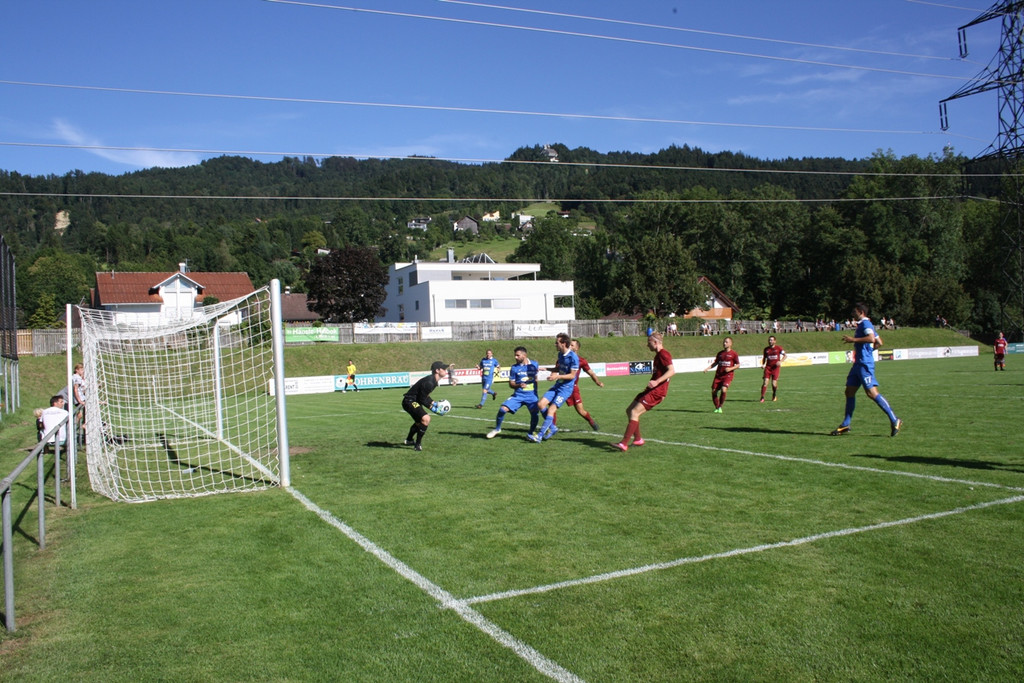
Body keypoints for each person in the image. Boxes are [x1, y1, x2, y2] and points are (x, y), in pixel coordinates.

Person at [831, 302, 902, 437]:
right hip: (858, 364)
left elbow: (871, 338)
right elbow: (879, 342)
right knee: (849, 391)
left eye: (854, 311)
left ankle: (894, 420)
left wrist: (853, 340)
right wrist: (869, 350)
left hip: (864, 364)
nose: (852, 314)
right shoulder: (864, 325)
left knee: (872, 393)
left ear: (861, 312)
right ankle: (846, 424)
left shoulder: (866, 324)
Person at [614, 332, 675, 452]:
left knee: (634, 412)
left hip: (657, 391)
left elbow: (671, 371)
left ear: (655, 342)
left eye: (649, 343)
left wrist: (657, 382)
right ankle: (638, 439)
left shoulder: (664, 354)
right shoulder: (658, 355)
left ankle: (624, 443)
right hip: (651, 390)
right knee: (629, 410)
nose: (647, 345)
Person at [530, 332, 579, 442]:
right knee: (540, 404)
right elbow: (559, 369)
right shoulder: (560, 355)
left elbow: (572, 375)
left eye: (557, 343)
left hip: (566, 389)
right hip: (558, 385)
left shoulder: (573, 357)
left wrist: (557, 376)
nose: (555, 344)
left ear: (563, 343)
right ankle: (552, 428)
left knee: (551, 409)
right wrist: (547, 369)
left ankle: (539, 435)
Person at [486, 346, 540, 439]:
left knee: (535, 414)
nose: (515, 357)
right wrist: (519, 385)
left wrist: (535, 393)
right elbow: (511, 384)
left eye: (517, 355)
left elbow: (535, 379)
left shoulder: (534, 364)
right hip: (518, 395)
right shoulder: (514, 368)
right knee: (502, 409)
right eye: (515, 355)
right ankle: (497, 429)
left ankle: (530, 433)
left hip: (531, 395)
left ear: (524, 355)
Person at [401, 361, 449, 452]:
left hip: (415, 401)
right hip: (409, 401)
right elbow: (422, 399)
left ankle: (409, 440)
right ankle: (417, 445)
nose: (445, 370)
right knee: (426, 419)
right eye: (443, 368)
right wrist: (434, 409)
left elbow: (425, 396)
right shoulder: (429, 382)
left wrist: (434, 403)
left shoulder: (434, 381)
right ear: (437, 370)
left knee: (419, 422)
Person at [559, 339, 603, 431]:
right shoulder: (562, 357)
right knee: (550, 406)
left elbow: (591, 373)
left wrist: (597, 381)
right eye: (569, 345)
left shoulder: (581, 361)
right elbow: (557, 368)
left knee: (580, 411)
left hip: (572, 388)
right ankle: (550, 428)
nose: (569, 346)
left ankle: (591, 421)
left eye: (572, 345)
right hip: (560, 387)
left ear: (577, 348)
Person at [704, 336, 739, 413]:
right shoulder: (720, 353)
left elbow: (738, 365)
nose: (724, 343)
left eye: (726, 342)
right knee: (714, 391)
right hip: (718, 375)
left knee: (723, 389)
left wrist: (730, 369)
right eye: (724, 342)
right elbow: (715, 363)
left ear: (730, 343)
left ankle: (720, 406)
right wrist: (707, 368)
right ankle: (717, 407)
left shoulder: (734, 354)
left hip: (727, 375)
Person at [760, 335, 787, 403]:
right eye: (769, 340)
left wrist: (780, 361)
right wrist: (763, 364)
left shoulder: (779, 348)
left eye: (771, 340)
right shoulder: (766, 349)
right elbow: (765, 358)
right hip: (768, 368)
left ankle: (774, 394)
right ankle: (762, 397)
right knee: (765, 382)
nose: (770, 341)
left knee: (774, 384)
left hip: (775, 368)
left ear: (775, 341)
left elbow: (785, 355)